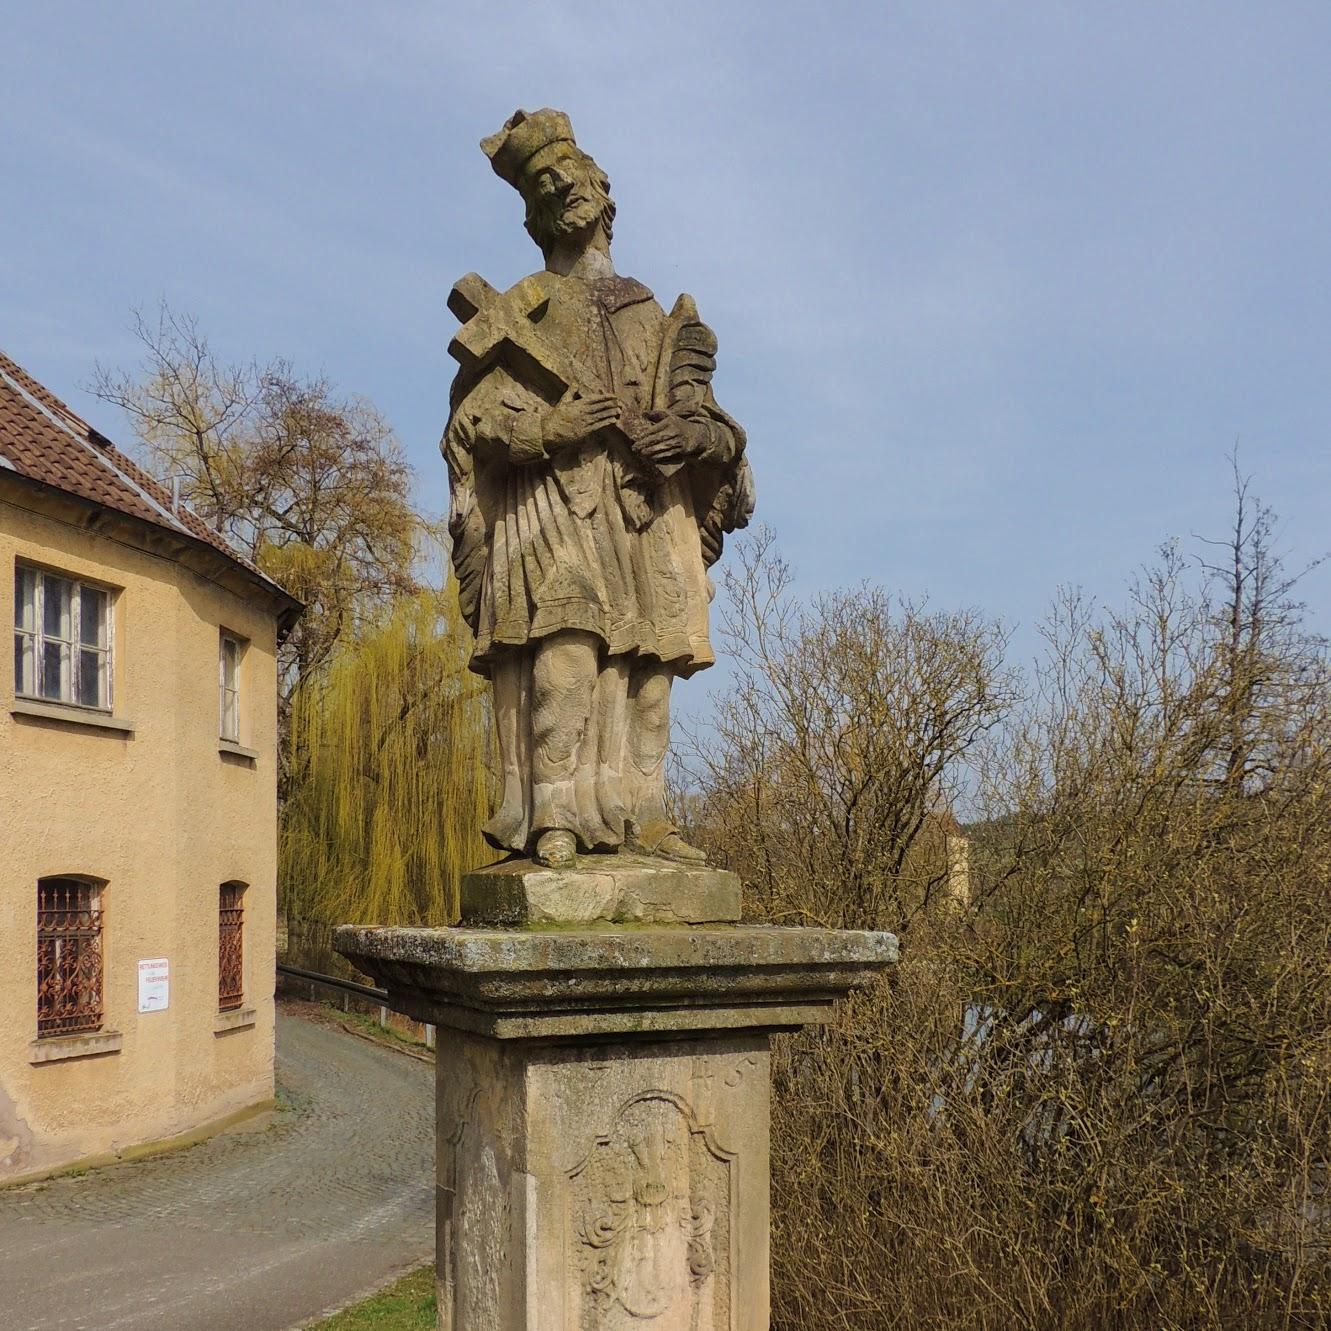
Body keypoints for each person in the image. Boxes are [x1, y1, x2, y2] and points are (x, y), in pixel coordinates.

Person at [443, 108, 753, 869]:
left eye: (570, 177)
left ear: (603, 193)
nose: (561, 191)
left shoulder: (653, 311)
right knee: (566, 652)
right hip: (553, 506)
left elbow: (719, 433)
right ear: (534, 216)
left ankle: (641, 814)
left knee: (652, 671)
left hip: (645, 510)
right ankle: (551, 812)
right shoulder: (517, 312)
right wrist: (553, 429)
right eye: (544, 186)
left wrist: (690, 440)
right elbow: (473, 427)